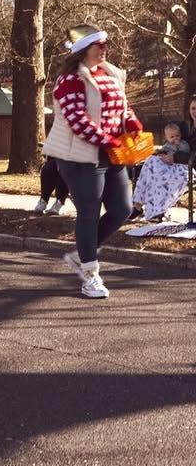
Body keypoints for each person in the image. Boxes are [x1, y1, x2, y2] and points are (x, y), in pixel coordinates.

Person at [42, 24, 141, 299]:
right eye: (101, 45)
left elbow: (122, 104)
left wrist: (131, 122)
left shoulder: (111, 73)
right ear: (84, 49)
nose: (106, 49)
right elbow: (77, 121)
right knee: (89, 213)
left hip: (111, 153)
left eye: (106, 44)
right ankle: (90, 274)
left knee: (123, 209)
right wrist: (109, 140)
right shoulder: (70, 80)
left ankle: (81, 254)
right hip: (79, 157)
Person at [131, 121, 191, 223]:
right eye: (172, 137)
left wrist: (176, 151)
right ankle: (139, 205)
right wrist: (159, 153)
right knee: (151, 161)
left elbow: (187, 152)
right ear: (166, 137)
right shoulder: (168, 144)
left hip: (182, 166)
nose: (175, 139)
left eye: (177, 136)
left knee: (157, 173)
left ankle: (156, 210)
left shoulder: (182, 144)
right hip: (168, 164)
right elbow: (163, 150)